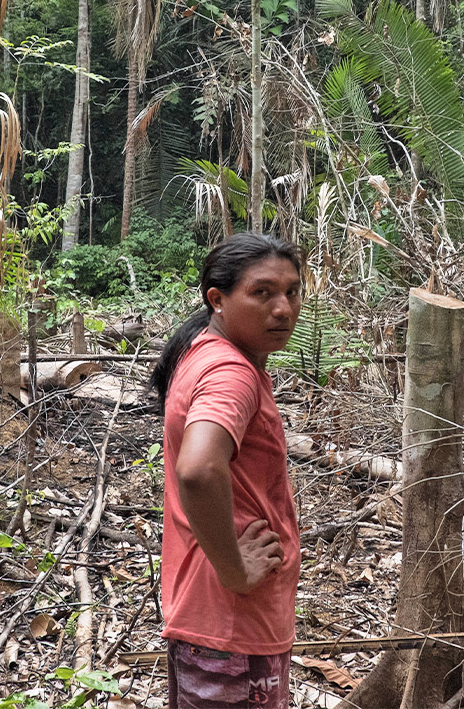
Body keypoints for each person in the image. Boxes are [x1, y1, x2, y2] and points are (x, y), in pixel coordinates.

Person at [152, 233, 305, 709]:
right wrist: (235, 571)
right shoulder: (230, 373)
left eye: (292, 291)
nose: (283, 308)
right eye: (262, 293)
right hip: (232, 620)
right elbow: (198, 469)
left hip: (208, 615)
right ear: (217, 299)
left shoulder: (205, 352)